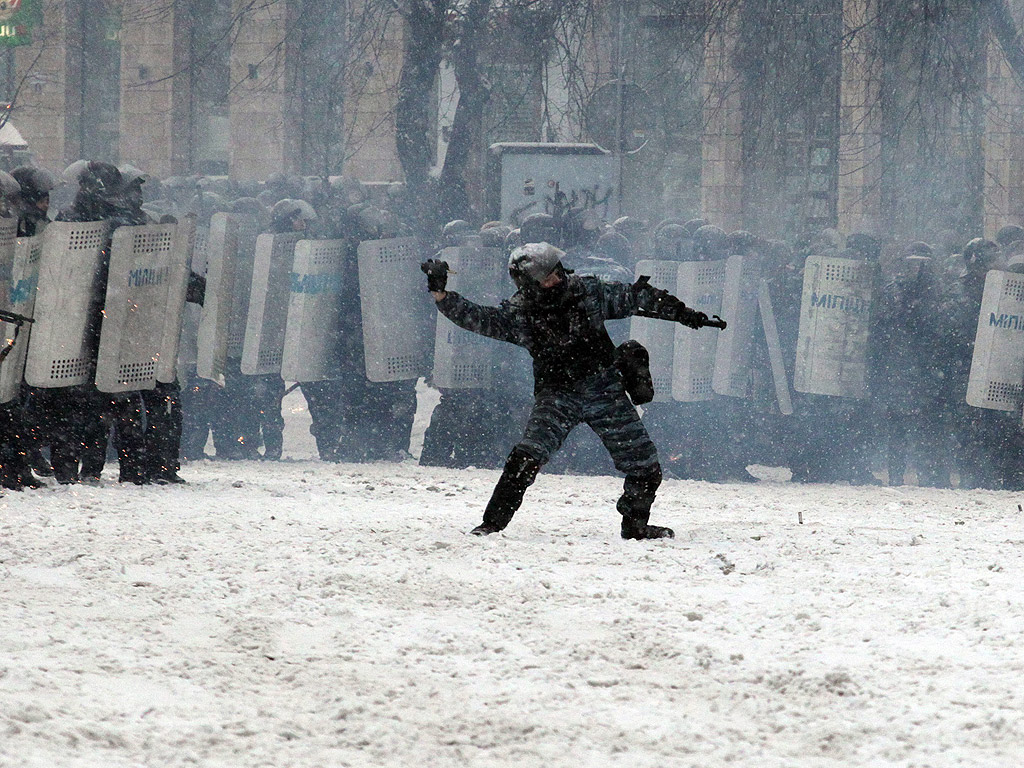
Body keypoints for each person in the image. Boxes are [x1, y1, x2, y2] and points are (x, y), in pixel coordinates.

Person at [421, 242, 725, 539]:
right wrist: (441, 295)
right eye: (546, 278)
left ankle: (635, 525)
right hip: (557, 395)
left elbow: (636, 296)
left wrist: (684, 313)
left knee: (645, 466)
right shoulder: (521, 312)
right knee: (526, 458)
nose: (555, 280)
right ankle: (491, 524)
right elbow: (479, 319)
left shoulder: (588, 292)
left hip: (604, 388)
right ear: (528, 284)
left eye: (556, 272)